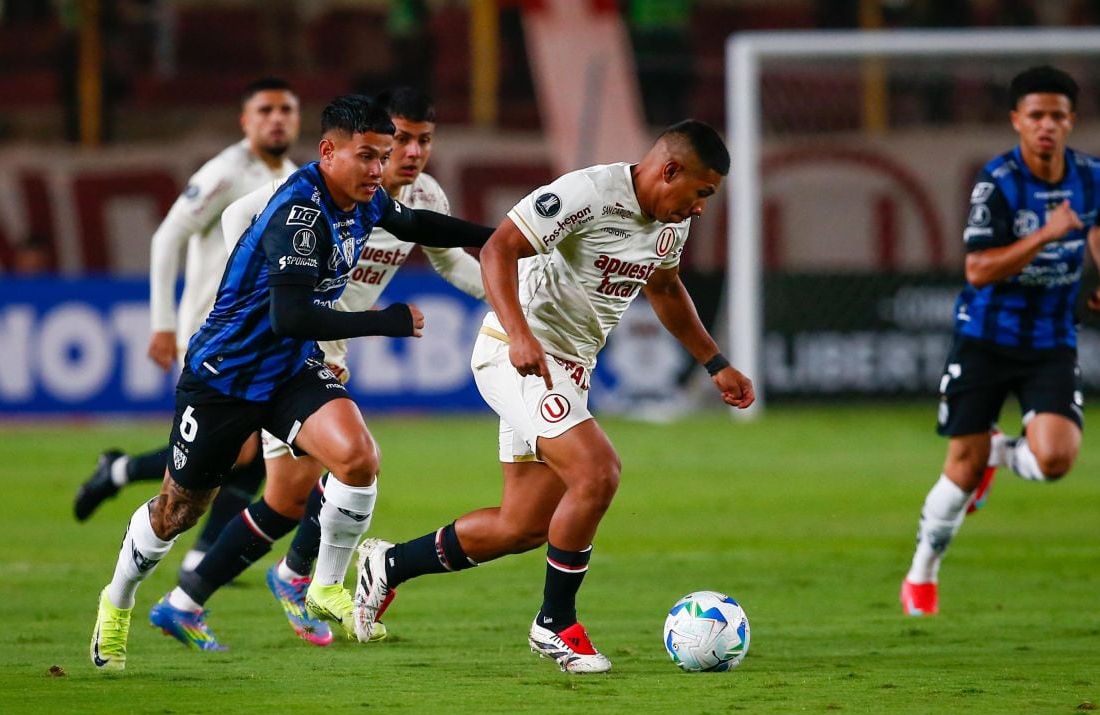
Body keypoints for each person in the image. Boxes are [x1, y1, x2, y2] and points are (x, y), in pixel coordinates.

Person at [89, 93, 494, 671]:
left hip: (289, 370)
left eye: (384, 156)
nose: (379, 169)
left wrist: (501, 234)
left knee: (356, 458)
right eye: (368, 156)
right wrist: (384, 321)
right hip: (225, 375)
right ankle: (118, 600)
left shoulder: (363, 197)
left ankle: (319, 582)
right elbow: (291, 317)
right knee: (178, 511)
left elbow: (415, 221)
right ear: (328, 152)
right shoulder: (298, 215)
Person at [352, 120, 755, 673]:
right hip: (519, 355)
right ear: (670, 171)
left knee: (521, 526)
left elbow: (663, 287)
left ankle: (389, 566)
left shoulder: (670, 223)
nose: (701, 207)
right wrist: (519, 333)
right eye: (702, 193)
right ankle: (554, 624)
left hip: (570, 367)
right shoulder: (587, 193)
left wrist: (715, 362)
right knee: (598, 472)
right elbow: (498, 249)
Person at [73, 77, 300, 586]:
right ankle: (194, 554)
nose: (277, 118)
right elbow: (167, 236)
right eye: (265, 110)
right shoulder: (225, 171)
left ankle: (126, 479)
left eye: (286, 109)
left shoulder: (290, 176)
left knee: (250, 451)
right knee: (243, 449)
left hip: (256, 337)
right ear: (246, 121)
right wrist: (162, 323)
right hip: (212, 332)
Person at [900, 66, 1100, 616]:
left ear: (1070, 122)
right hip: (985, 338)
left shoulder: (1092, 176)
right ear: (1017, 119)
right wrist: (1046, 234)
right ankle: (922, 571)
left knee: (1057, 459)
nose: (1046, 126)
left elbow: (1099, 226)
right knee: (960, 472)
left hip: (1051, 340)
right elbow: (978, 269)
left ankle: (999, 451)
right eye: (1035, 115)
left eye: (1057, 116)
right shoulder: (999, 182)